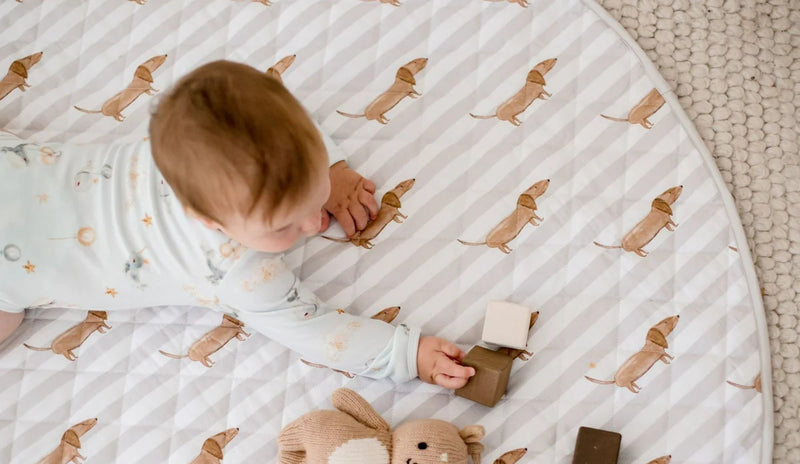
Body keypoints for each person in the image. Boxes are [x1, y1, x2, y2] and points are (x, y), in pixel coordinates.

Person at [0, 60, 475, 388]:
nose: (315, 222)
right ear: (210, 221)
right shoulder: (234, 270)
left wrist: (331, 170)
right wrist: (405, 354)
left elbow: (279, 120)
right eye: (283, 224)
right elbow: (315, 332)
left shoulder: (189, 142)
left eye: (313, 192)